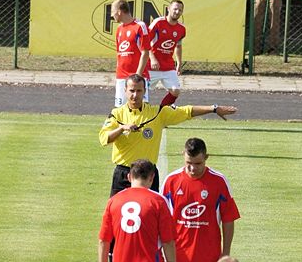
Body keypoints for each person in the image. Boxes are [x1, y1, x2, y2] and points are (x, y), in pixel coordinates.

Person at [100, 74, 237, 195]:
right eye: (131, 91)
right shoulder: (116, 115)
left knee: (150, 215)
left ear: (144, 92)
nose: (135, 95)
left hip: (148, 174)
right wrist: (121, 128)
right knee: (117, 215)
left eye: (139, 91)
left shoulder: (157, 113)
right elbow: (104, 139)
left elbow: (187, 111)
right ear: (125, 91)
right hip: (124, 173)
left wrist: (213, 109)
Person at [162, 138, 240, 262]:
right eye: (189, 163)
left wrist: (225, 254)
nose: (192, 168)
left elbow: (228, 220)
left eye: (198, 163)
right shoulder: (171, 181)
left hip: (209, 261)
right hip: (178, 261)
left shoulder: (219, 182)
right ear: (183, 156)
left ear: (206, 157)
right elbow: (162, 221)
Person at [98, 159, 176, 262]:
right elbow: (168, 241)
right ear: (152, 178)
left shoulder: (114, 201)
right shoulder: (158, 201)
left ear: (128, 177)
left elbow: (103, 240)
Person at [112, 0, 150, 107]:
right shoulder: (119, 29)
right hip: (122, 77)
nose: (112, 15)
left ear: (119, 11)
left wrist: (137, 76)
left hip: (138, 76)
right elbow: (119, 53)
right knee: (120, 109)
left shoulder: (140, 26)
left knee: (141, 109)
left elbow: (145, 52)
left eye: (113, 11)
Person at [148, 0, 186, 107]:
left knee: (175, 91)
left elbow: (178, 46)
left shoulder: (181, 29)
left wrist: (178, 63)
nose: (177, 12)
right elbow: (145, 42)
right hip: (152, 66)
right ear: (168, 9)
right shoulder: (158, 23)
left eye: (180, 10)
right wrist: (153, 59)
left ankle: (161, 112)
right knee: (142, 92)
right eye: (175, 9)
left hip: (168, 65)